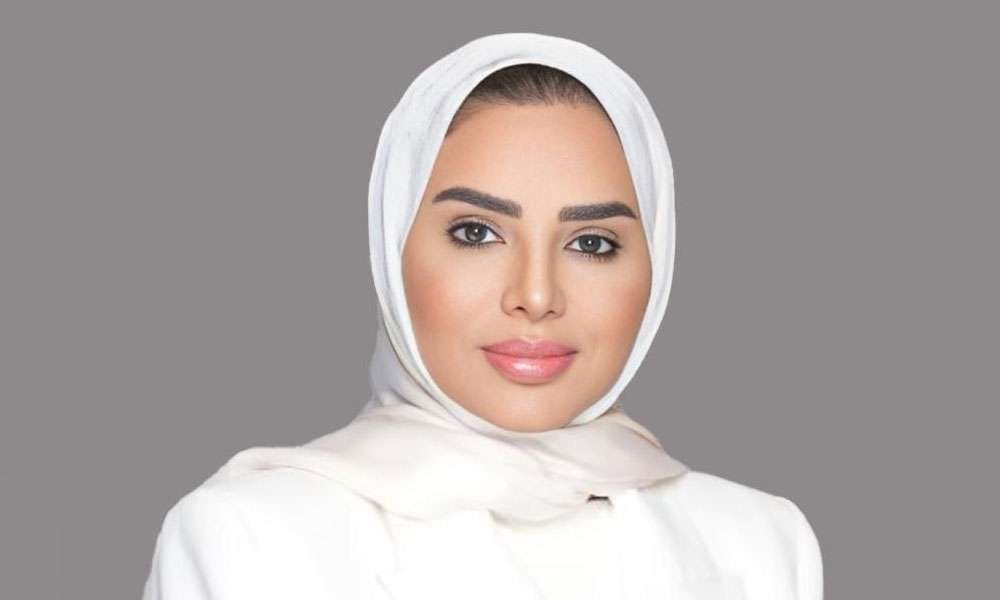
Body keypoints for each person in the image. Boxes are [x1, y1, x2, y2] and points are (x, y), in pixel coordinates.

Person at [141, 32, 823, 600]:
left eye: (591, 243)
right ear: (392, 248)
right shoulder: (250, 541)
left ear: (657, 261)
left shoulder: (762, 543)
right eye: (476, 233)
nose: (536, 295)